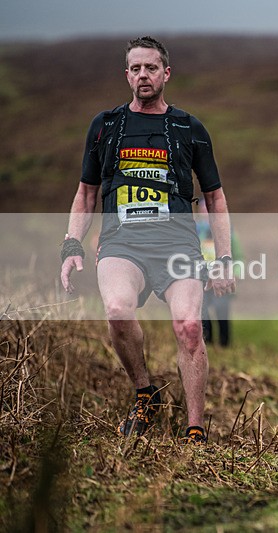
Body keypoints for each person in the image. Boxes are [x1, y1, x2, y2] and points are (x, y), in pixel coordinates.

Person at [60, 36, 235, 444]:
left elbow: (215, 197)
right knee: (117, 310)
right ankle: (145, 393)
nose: (143, 75)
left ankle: (195, 428)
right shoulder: (105, 126)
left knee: (189, 326)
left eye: (151, 68)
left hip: (178, 246)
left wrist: (223, 259)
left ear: (166, 74)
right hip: (121, 244)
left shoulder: (189, 128)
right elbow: (86, 193)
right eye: (136, 68)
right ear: (127, 75)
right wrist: (71, 245)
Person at [196, 197, 243, 348]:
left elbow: (238, 256)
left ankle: (224, 344)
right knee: (203, 313)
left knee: (222, 311)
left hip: (221, 278)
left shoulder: (227, 232)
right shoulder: (195, 231)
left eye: (208, 210)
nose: (206, 214)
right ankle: (208, 343)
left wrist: (235, 272)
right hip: (202, 280)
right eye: (202, 210)